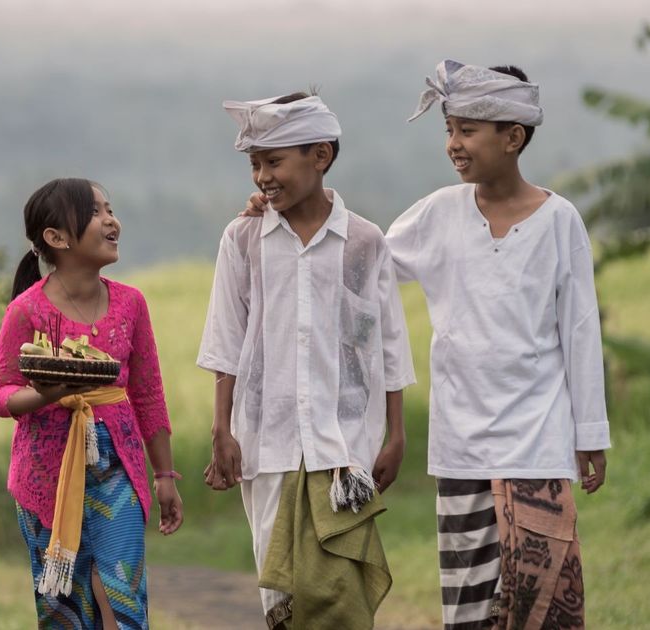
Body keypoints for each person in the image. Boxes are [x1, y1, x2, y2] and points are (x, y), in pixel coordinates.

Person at [244, 61, 611, 629]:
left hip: (540, 442)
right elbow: (361, 257)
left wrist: (589, 434)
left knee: (543, 604)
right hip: (460, 445)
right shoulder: (439, 214)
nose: (453, 145)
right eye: (449, 130)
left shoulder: (560, 222)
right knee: (467, 606)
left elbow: (580, 331)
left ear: (513, 137)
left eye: (467, 130)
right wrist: (285, 208)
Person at [198, 91, 415, 629]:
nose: (262, 177)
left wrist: (395, 433)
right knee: (282, 593)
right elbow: (228, 338)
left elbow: (385, 341)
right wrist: (221, 430)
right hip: (265, 442)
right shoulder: (243, 237)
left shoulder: (364, 242)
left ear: (320, 156)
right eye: (255, 165)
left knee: (340, 589)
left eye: (274, 162)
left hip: (344, 447)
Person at [0, 178, 182, 629]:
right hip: (45, 476)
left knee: (122, 595)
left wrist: (165, 475)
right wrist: (45, 395)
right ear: (56, 238)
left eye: (110, 209)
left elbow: (149, 396)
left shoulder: (131, 304)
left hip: (118, 471)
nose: (111, 220)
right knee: (64, 608)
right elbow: (0, 393)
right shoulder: (26, 310)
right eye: (96, 212)